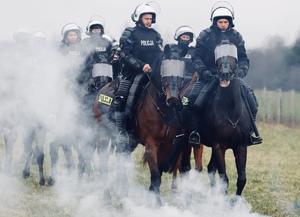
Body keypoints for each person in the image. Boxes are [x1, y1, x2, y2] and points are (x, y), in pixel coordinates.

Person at [190, 1, 262, 145]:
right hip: (209, 76)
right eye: (220, 21)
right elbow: (196, 57)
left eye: (226, 21)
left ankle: (250, 132)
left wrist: (241, 71)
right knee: (193, 100)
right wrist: (204, 72)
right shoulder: (205, 35)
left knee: (253, 103)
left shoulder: (237, 36)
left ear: (230, 22)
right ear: (215, 22)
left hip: (232, 77)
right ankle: (195, 133)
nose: (223, 24)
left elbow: (243, 58)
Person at [113, 2, 163, 148]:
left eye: (150, 18)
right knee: (120, 99)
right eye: (145, 18)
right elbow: (124, 54)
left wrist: (154, 67)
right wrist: (141, 66)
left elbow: (160, 54)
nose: (148, 21)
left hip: (153, 74)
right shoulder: (130, 33)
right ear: (138, 18)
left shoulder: (155, 35)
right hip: (131, 74)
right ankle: (121, 132)